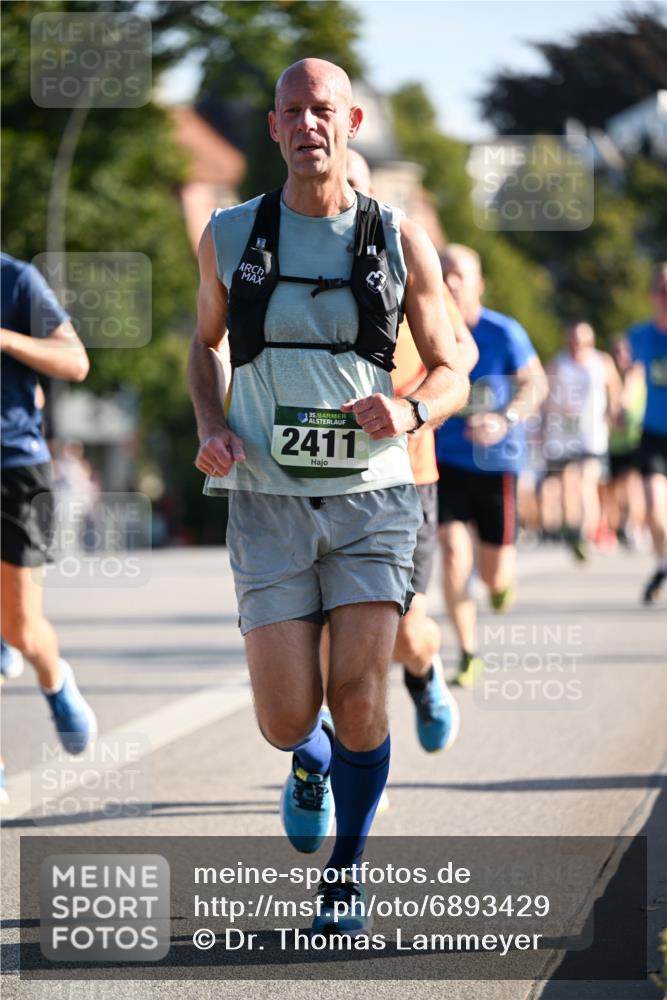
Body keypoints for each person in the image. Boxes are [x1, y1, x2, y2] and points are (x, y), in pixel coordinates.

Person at [187, 59, 468, 934]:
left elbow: (453, 366)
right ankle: (304, 760)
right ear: (273, 127)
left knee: (358, 696)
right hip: (266, 499)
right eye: (292, 111)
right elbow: (203, 347)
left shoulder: (399, 239)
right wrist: (211, 423)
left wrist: (411, 410)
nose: (307, 124)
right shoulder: (229, 234)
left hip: (373, 500)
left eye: (322, 110)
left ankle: (345, 876)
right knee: (286, 718)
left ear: (349, 123)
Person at [345, 149, 477, 754]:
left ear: (370, 191)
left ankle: (424, 674)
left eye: (352, 182)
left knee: (400, 630)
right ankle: (343, 768)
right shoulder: (285, 251)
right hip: (322, 477)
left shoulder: (401, 249)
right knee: (330, 635)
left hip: (406, 474)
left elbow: (461, 351)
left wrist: (415, 405)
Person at [1, 253, 97, 801]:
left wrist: (6, 340)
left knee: (19, 627)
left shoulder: (15, 280)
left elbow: (75, 361)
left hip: (13, 468)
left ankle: (54, 679)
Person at [435, 245, 547, 688]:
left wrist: (504, 419)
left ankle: (500, 586)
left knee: (493, 573)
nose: (450, 281)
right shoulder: (429, 329)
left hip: (495, 464)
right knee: (451, 553)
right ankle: (467, 652)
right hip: (445, 462)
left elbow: (536, 384)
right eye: (442, 272)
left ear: (479, 284)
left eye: (459, 274)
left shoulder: (504, 332)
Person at [541, 321, 621, 561]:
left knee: (587, 483)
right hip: (563, 434)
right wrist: (550, 414)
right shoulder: (558, 362)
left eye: (583, 341)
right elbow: (544, 393)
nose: (578, 345)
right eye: (574, 340)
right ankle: (573, 529)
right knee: (567, 486)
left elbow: (615, 388)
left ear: (590, 341)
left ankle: (584, 535)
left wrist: (614, 410)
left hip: (591, 434)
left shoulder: (601, 362)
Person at [628, 262, 667, 604]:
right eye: (662, 290)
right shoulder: (640, 335)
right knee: (655, 508)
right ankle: (662, 562)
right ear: (652, 294)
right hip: (654, 432)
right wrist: (623, 402)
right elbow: (634, 374)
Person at [603, 335, 646, 548]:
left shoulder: (636, 373)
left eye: (625, 352)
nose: (622, 357)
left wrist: (617, 410)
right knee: (615, 488)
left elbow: (624, 405)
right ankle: (620, 526)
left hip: (635, 439)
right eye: (617, 353)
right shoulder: (613, 376)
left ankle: (634, 526)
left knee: (633, 484)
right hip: (614, 442)